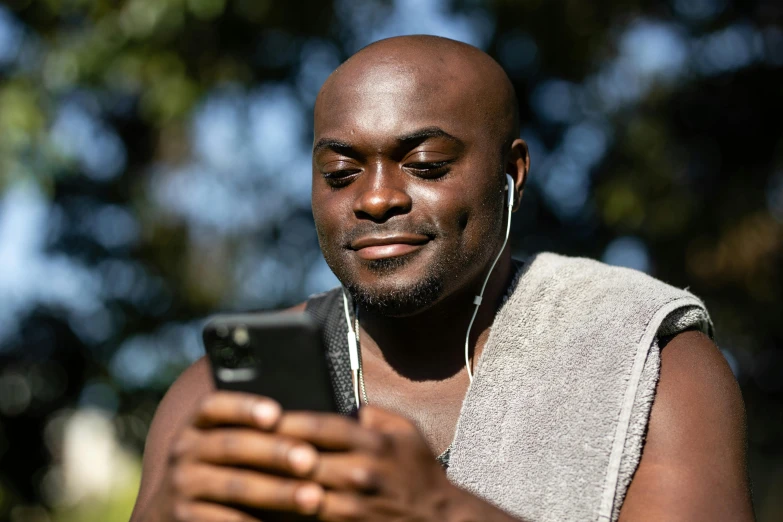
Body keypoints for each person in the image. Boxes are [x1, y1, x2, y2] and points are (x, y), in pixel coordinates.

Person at [129, 35, 753, 522]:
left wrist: (441, 511)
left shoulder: (645, 358)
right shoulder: (222, 391)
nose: (375, 199)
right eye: (341, 174)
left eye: (425, 164)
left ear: (513, 172)